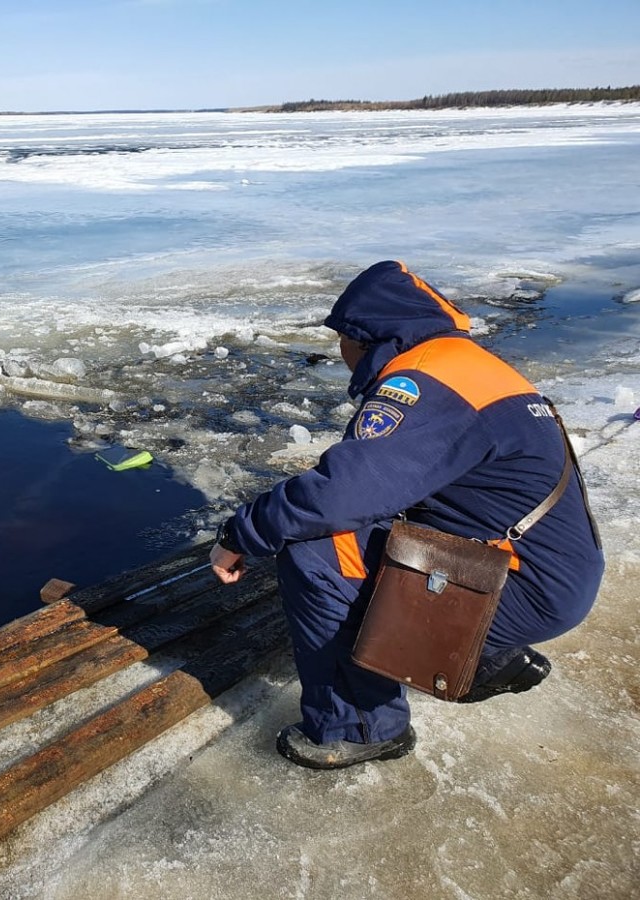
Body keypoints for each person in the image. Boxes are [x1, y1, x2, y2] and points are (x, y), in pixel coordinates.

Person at [210, 260, 603, 770]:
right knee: (357, 527)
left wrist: (239, 534)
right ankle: (481, 655)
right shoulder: (465, 365)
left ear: (365, 337)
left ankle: (363, 729)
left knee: (318, 550)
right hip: (542, 568)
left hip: (520, 585)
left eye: (342, 339)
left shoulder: (425, 383)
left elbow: (338, 497)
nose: (341, 354)